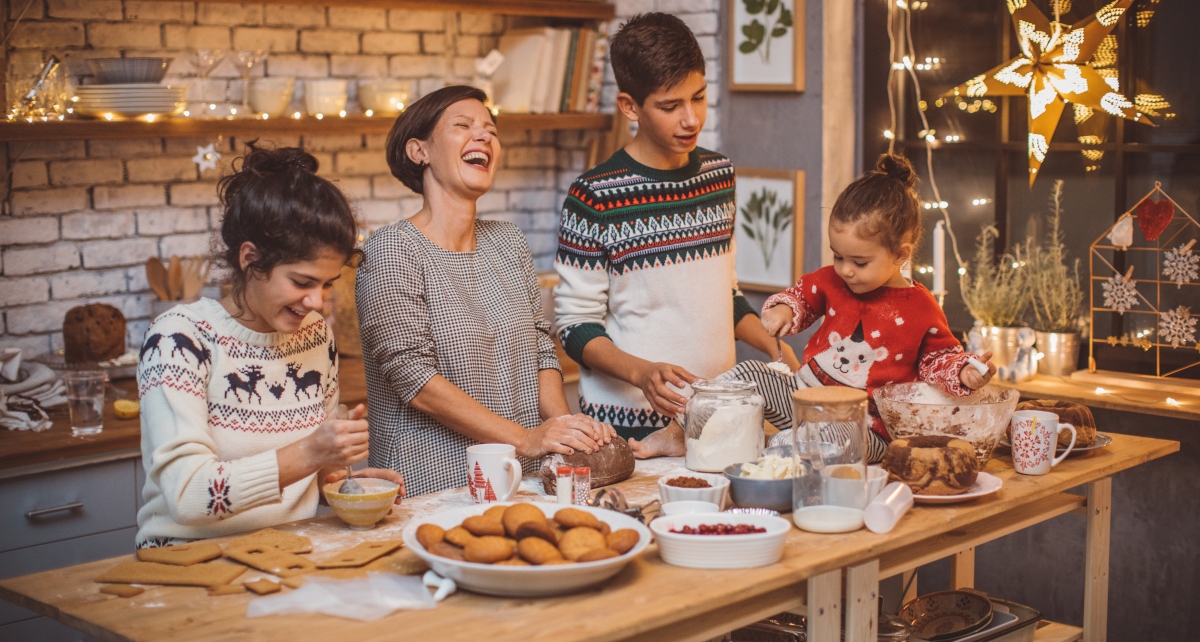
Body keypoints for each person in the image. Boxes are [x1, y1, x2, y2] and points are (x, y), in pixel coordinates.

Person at [553, 14, 798, 457]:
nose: (691, 119)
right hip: (626, 427)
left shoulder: (719, 175)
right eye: (670, 106)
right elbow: (575, 327)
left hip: (717, 417)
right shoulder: (593, 196)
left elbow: (724, 294)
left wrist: (771, 344)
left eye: (698, 97)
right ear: (630, 106)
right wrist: (643, 373)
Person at [135, 146, 403, 549]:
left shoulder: (314, 334)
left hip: (285, 550)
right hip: (185, 559)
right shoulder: (178, 339)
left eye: (326, 284)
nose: (317, 301)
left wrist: (343, 485)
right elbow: (187, 496)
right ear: (250, 259)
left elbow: (310, 473)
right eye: (302, 282)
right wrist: (311, 453)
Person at [357, 85, 616, 498]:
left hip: (523, 478)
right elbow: (414, 378)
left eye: (491, 130)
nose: (483, 136)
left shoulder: (508, 241)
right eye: (463, 125)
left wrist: (564, 433)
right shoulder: (391, 249)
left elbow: (540, 349)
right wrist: (527, 438)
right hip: (434, 486)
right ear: (419, 151)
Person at [748, 153, 997, 461]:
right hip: (804, 399)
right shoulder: (832, 280)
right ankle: (729, 437)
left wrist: (963, 372)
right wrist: (784, 310)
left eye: (860, 262)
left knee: (834, 438)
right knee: (748, 374)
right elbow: (801, 298)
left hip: (866, 428)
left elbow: (939, 359)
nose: (845, 270)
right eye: (838, 256)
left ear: (900, 254)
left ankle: (786, 446)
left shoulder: (921, 308)